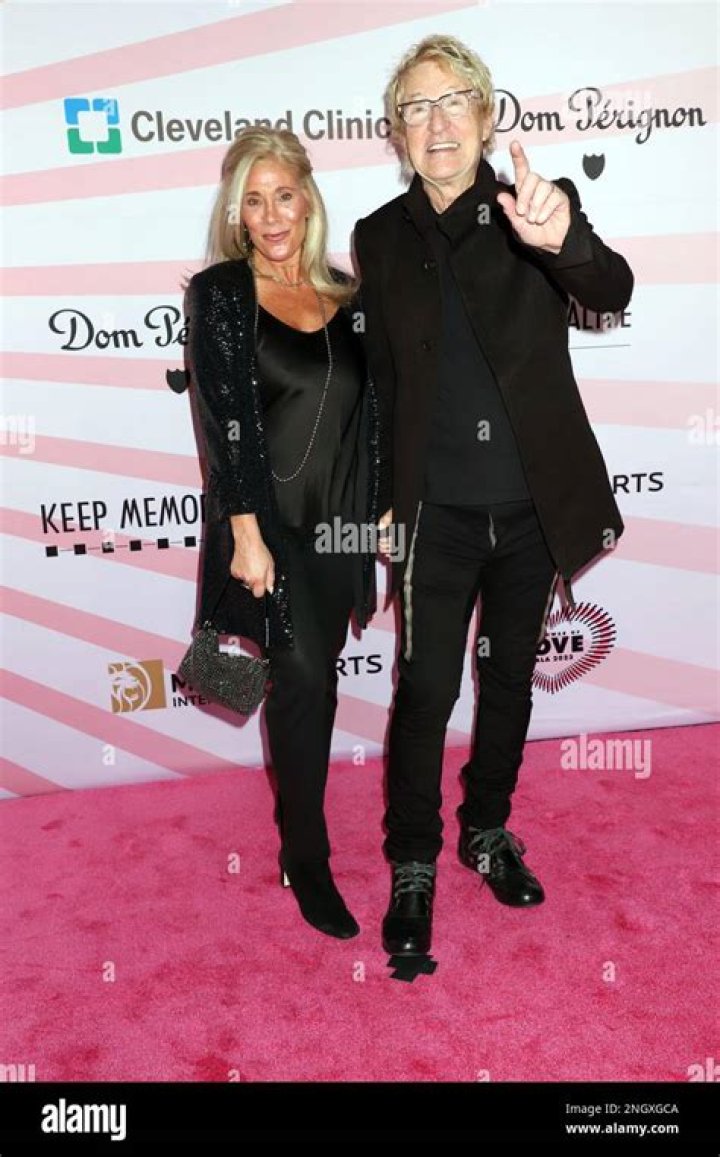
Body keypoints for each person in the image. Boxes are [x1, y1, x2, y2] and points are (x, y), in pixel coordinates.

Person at [353, 35, 634, 956]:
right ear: (397, 130)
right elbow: (381, 383)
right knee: (427, 687)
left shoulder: (535, 208)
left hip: (528, 509)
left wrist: (566, 241)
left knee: (509, 676)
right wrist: (383, 500)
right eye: (416, 107)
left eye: (453, 101)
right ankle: (414, 859)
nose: (436, 122)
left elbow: (610, 288)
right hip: (433, 514)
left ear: (484, 114)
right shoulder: (378, 236)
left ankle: (486, 829)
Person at [186, 127, 381, 940]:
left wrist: (384, 512)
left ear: (308, 198)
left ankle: (302, 832)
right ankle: (306, 853)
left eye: (284, 195)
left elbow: (372, 416)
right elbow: (221, 418)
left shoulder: (349, 296)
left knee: (316, 685)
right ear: (236, 212)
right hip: (272, 531)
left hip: (342, 531)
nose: (270, 215)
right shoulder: (223, 293)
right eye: (253, 201)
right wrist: (245, 533)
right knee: (301, 679)